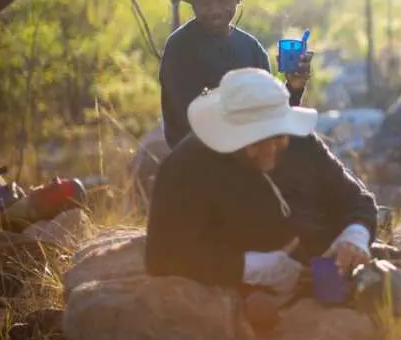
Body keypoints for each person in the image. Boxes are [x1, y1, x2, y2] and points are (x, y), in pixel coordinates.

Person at [145, 67, 377, 298]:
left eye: (277, 137)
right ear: (229, 133)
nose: (269, 150)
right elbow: (163, 255)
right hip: (249, 295)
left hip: (327, 276)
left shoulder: (301, 141)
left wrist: (355, 235)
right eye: (255, 141)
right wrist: (253, 267)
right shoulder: (188, 166)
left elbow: (357, 202)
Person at [160, 0, 312, 148]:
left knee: (308, 144)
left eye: (223, 1)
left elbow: (273, 121)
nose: (214, 10)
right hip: (198, 162)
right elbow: (189, 119)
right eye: (205, 3)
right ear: (193, 5)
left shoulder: (251, 48)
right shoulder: (180, 47)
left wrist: (294, 88)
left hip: (250, 160)